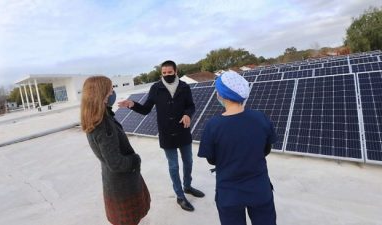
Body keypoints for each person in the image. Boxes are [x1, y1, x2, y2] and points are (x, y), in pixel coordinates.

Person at [118, 60, 204, 211]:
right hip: (167, 134)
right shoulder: (156, 88)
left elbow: (191, 106)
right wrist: (132, 104)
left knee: (188, 161)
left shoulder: (184, 87)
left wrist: (187, 115)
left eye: (169, 72)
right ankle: (180, 196)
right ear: (161, 74)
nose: (167, 75)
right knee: (174, 166)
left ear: (176, 72)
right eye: (164, 73)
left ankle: (188, 186)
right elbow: (146, 109)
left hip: (183, 131)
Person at [198, 71, 277, 225]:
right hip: (260, 189)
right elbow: (266, 149)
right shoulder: (260, 118)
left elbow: (212, 160)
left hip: (229, 194)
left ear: (221, 95)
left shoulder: (213, 126)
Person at [81, 76, 150, 225]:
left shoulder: (96, 118)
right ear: (102, 94)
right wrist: (135, 160)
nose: (113, 92)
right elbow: (116, 163)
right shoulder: (103, 125)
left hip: (114, 182)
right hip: (123, 186)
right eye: (111, 89)